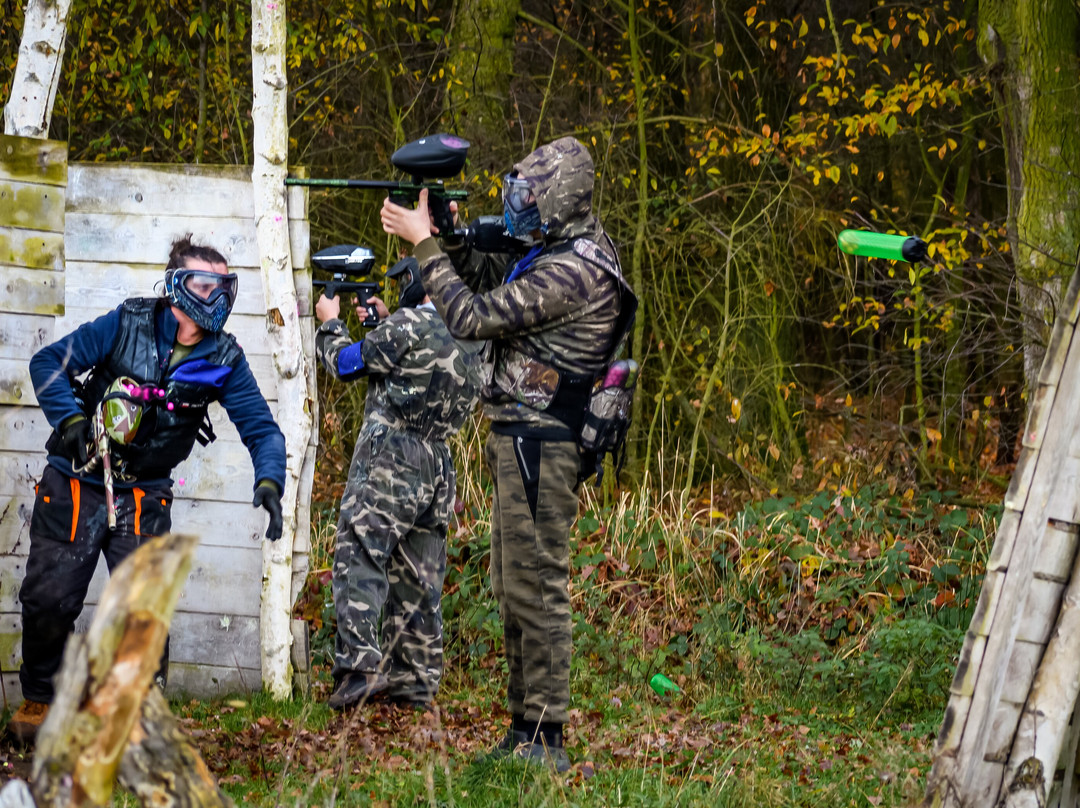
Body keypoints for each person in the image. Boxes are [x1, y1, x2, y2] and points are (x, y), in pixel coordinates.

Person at [381, 136, 634, 771]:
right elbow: (493, 275)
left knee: (537, 589)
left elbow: (470, 318)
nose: (515, 206)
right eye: (514, 193)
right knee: (511, 583)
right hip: (523, 434)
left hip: (542, 440)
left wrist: (424, 245)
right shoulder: (558, 249)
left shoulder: (571, 273)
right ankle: (525, 729)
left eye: (528, 196)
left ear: (558, 203)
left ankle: (546, 738)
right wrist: (456, 239)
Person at [9, 235, 287, 744]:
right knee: (49, 600)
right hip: (78, 478)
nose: (219, 298)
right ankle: (43, 698)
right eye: (206, 285)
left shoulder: (225, 356)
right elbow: (46, 363)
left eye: (226, 286)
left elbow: (262, 430)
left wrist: (270, 480)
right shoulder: (127, 321)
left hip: (143, 494)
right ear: (178, 288)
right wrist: (70, 420)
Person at [314, 256, 481, 711]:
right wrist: (384, 323)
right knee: (419, 571)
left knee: (360, 549)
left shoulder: (406, 326)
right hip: (438, 461)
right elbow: (417, 362)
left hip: (393, 454)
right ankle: (416, 682)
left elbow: (346, 363)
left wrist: (330, 324)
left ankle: (361, 668)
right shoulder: (472, 333)